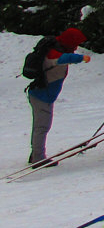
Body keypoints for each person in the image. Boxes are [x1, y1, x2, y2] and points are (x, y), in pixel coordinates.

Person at [27, 27, 91, 168]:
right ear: (69, 42)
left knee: (39, 126)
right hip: (42, 96)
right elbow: (64, 59)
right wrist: (82, 58)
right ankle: (38, 158)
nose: (76, 47)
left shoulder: (55, 48)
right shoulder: (54, 53)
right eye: (75, 44)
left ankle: (35, 154)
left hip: (41, 94)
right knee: (42, 127)